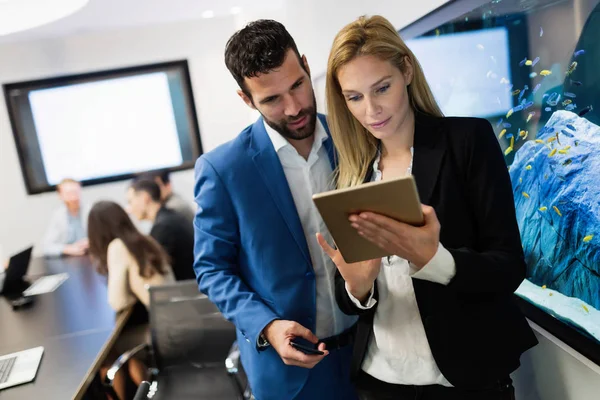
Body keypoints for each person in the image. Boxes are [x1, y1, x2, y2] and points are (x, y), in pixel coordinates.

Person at [316, 15, 538, 400]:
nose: (371, 110)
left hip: (464, 379)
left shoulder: (468, 142)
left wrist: (436, 259)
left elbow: (509, 266)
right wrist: (357, 285)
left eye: (381, 88)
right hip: (380, 381)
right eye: (354, 97)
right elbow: (350, 296)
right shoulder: (351, 175)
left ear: (406, 70)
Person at [193, 19, 358, 400]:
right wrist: (265, 325)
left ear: (303, 63)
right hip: (288, 374)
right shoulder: (223, 169)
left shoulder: (354, 136)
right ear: (246, 99)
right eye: (272, 100)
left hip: (370, 351)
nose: (295, 107)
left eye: (298, 85)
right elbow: (211, 269)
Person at [87, 201, 174, 400]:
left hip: (162, 333)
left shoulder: (117, 247)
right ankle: (146, 390)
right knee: (128, 347)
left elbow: (118, 301)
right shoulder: (144, 238)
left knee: (108, 352)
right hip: (176, 320)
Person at [128, 179, 195, 281]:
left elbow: (154, 269)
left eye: (130, 201)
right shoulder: (171, 217)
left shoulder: (163, 227)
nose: (130, 209)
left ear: (145, 198)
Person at [42, 178, 90, 257]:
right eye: (69, 193)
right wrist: (68, 249)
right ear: (60, 195)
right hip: (70, 260)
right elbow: (46, 247)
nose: (74, 197)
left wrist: (92, 242)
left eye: (76, 192)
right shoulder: (58, 216)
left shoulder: (91, 211)